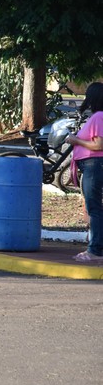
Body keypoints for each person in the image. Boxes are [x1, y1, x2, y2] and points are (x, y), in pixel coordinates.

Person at [68, 82, 103, 263]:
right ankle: (95, 247)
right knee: (95, 208)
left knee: (94, 208)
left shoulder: (98, 117)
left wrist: (75, 140)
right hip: (92, 165)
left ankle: (95, 251)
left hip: (93, 165)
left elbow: (98, 145)